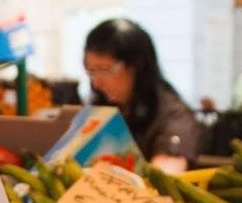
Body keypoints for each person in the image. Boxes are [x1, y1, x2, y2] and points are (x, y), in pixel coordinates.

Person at [83, 19, 200, 169]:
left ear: (137, 65)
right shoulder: (101, 110)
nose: (97, 83)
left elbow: (165, 175)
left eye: (105, 70)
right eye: (91, 71)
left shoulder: (173, 117)